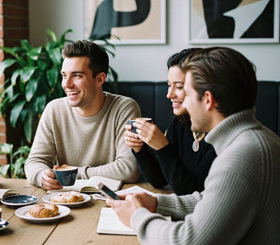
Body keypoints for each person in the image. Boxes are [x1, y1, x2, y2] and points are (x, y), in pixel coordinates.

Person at [107, 47, 280, 244]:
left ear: (207, 100)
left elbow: (189, 240)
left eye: (186, 94)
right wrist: (157, 202)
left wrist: (137, 217)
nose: (183, 104)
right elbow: (213, 201)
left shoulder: (241, 155)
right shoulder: (256, 140)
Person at [25, 40, 141, 190]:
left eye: (76, 76)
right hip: (64, 200)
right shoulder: (54, 109)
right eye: (64, 75)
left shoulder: (124, 108)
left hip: (110, 201)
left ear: (99, 79)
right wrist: (42, 176)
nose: (66, 84)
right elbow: (34, 161)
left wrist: (73, 173)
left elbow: (128, 169)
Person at [125, 48, 216, 195]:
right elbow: (160, 180)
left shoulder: (221, 135)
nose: (169, 94)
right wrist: (140, 149)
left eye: (179, 86)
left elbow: (191, 192)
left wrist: (162, 147)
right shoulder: (180, 123)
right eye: (169, 85)